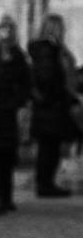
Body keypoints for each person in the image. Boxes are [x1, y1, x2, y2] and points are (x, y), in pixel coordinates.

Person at [28, 12, 82, 197]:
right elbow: (49, 78)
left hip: (52, 104)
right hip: (51, 105)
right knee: (48, 147)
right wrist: (64, 96)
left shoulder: (53, 49)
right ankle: (45, 184)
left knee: (51, 146)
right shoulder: (48, 50)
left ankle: (46, 183)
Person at [0, 15, 32, 211]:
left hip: (9, 110)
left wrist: (17, 102)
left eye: (9, 29)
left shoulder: (18, 56)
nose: (6, 33)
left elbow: (26, 83)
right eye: (3, 29)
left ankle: (5, 196)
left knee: (7, 155)